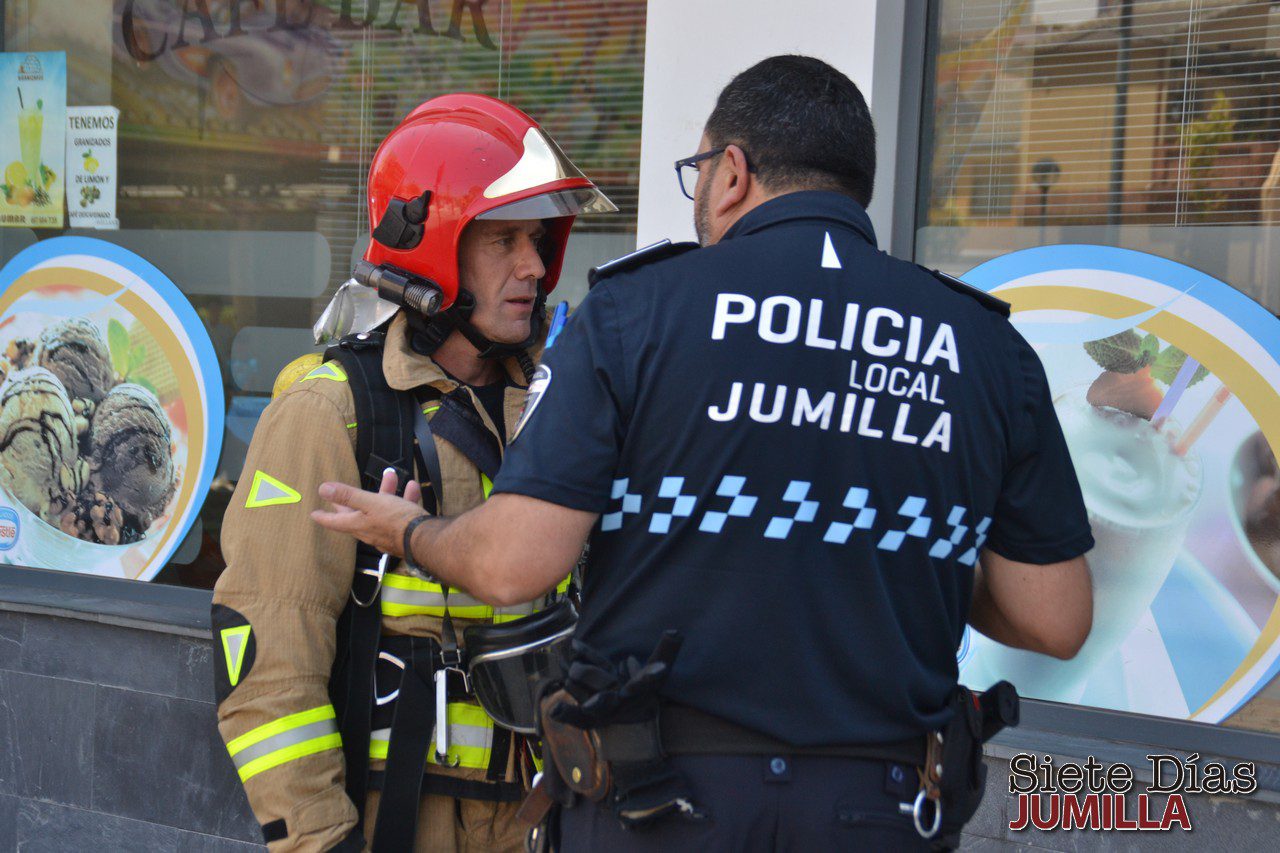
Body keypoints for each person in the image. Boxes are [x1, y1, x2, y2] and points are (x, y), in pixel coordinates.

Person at [313, 56, 1094, 851]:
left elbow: (516, 562)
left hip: (659, 806)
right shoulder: (987, 349)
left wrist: (410, 531)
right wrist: (879, 551)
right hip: (882, 808)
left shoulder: (633, 312)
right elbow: (1055, 617)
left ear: (731, 173)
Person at [211, 93, 615, 852]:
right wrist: (323, 842)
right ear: (432, 244)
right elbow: (270, 663)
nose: (534, 265)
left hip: (553, 814)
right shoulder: (330, 413)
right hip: (404, 820)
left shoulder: (565, 403)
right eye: (502, 240)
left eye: (538, 238)